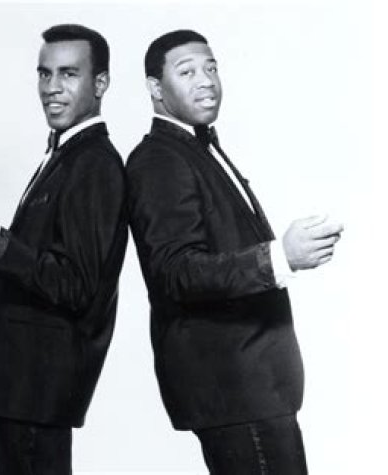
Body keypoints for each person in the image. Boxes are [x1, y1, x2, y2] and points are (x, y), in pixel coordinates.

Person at [126, 30, 343, 474]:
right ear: (155, 88)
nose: (206, 80)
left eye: (211, 67)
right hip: (235, 390)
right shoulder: (159, 160)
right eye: (187, 71)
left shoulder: (196, 148)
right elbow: (176, 272)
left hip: (253, 389)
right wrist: (279, 258)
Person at [0, 24, 128, 475]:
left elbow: (74, 286)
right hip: (24, 393)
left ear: (101, 84)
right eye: (44, 73)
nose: (51, 88)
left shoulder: (94, 164)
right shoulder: (66, 155)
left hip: (39, 398)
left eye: (69, 74)